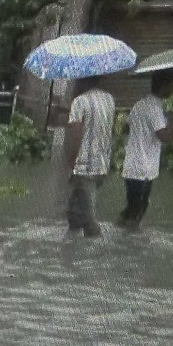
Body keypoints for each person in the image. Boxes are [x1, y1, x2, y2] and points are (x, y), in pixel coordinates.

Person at [120, 72, 173, 229]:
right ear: (164, 86)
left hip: (133, 167)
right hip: (143, 169)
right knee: (137, 212)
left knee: (132, 210)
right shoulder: (154, 107)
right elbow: (164, 136)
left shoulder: (140, 104)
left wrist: (168, 117)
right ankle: (128, 244)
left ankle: (122, 236)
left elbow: (128, 127)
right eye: (172, 84)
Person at [63, 76, 117, 237]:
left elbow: (76, 136)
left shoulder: (79, 102)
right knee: (73, 213)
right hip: (102, 164)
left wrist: (71, 163)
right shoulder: (109, 99)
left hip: (84, 167)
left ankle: (96, 254)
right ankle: (70, 247)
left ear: (82, 81)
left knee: (88, 220)